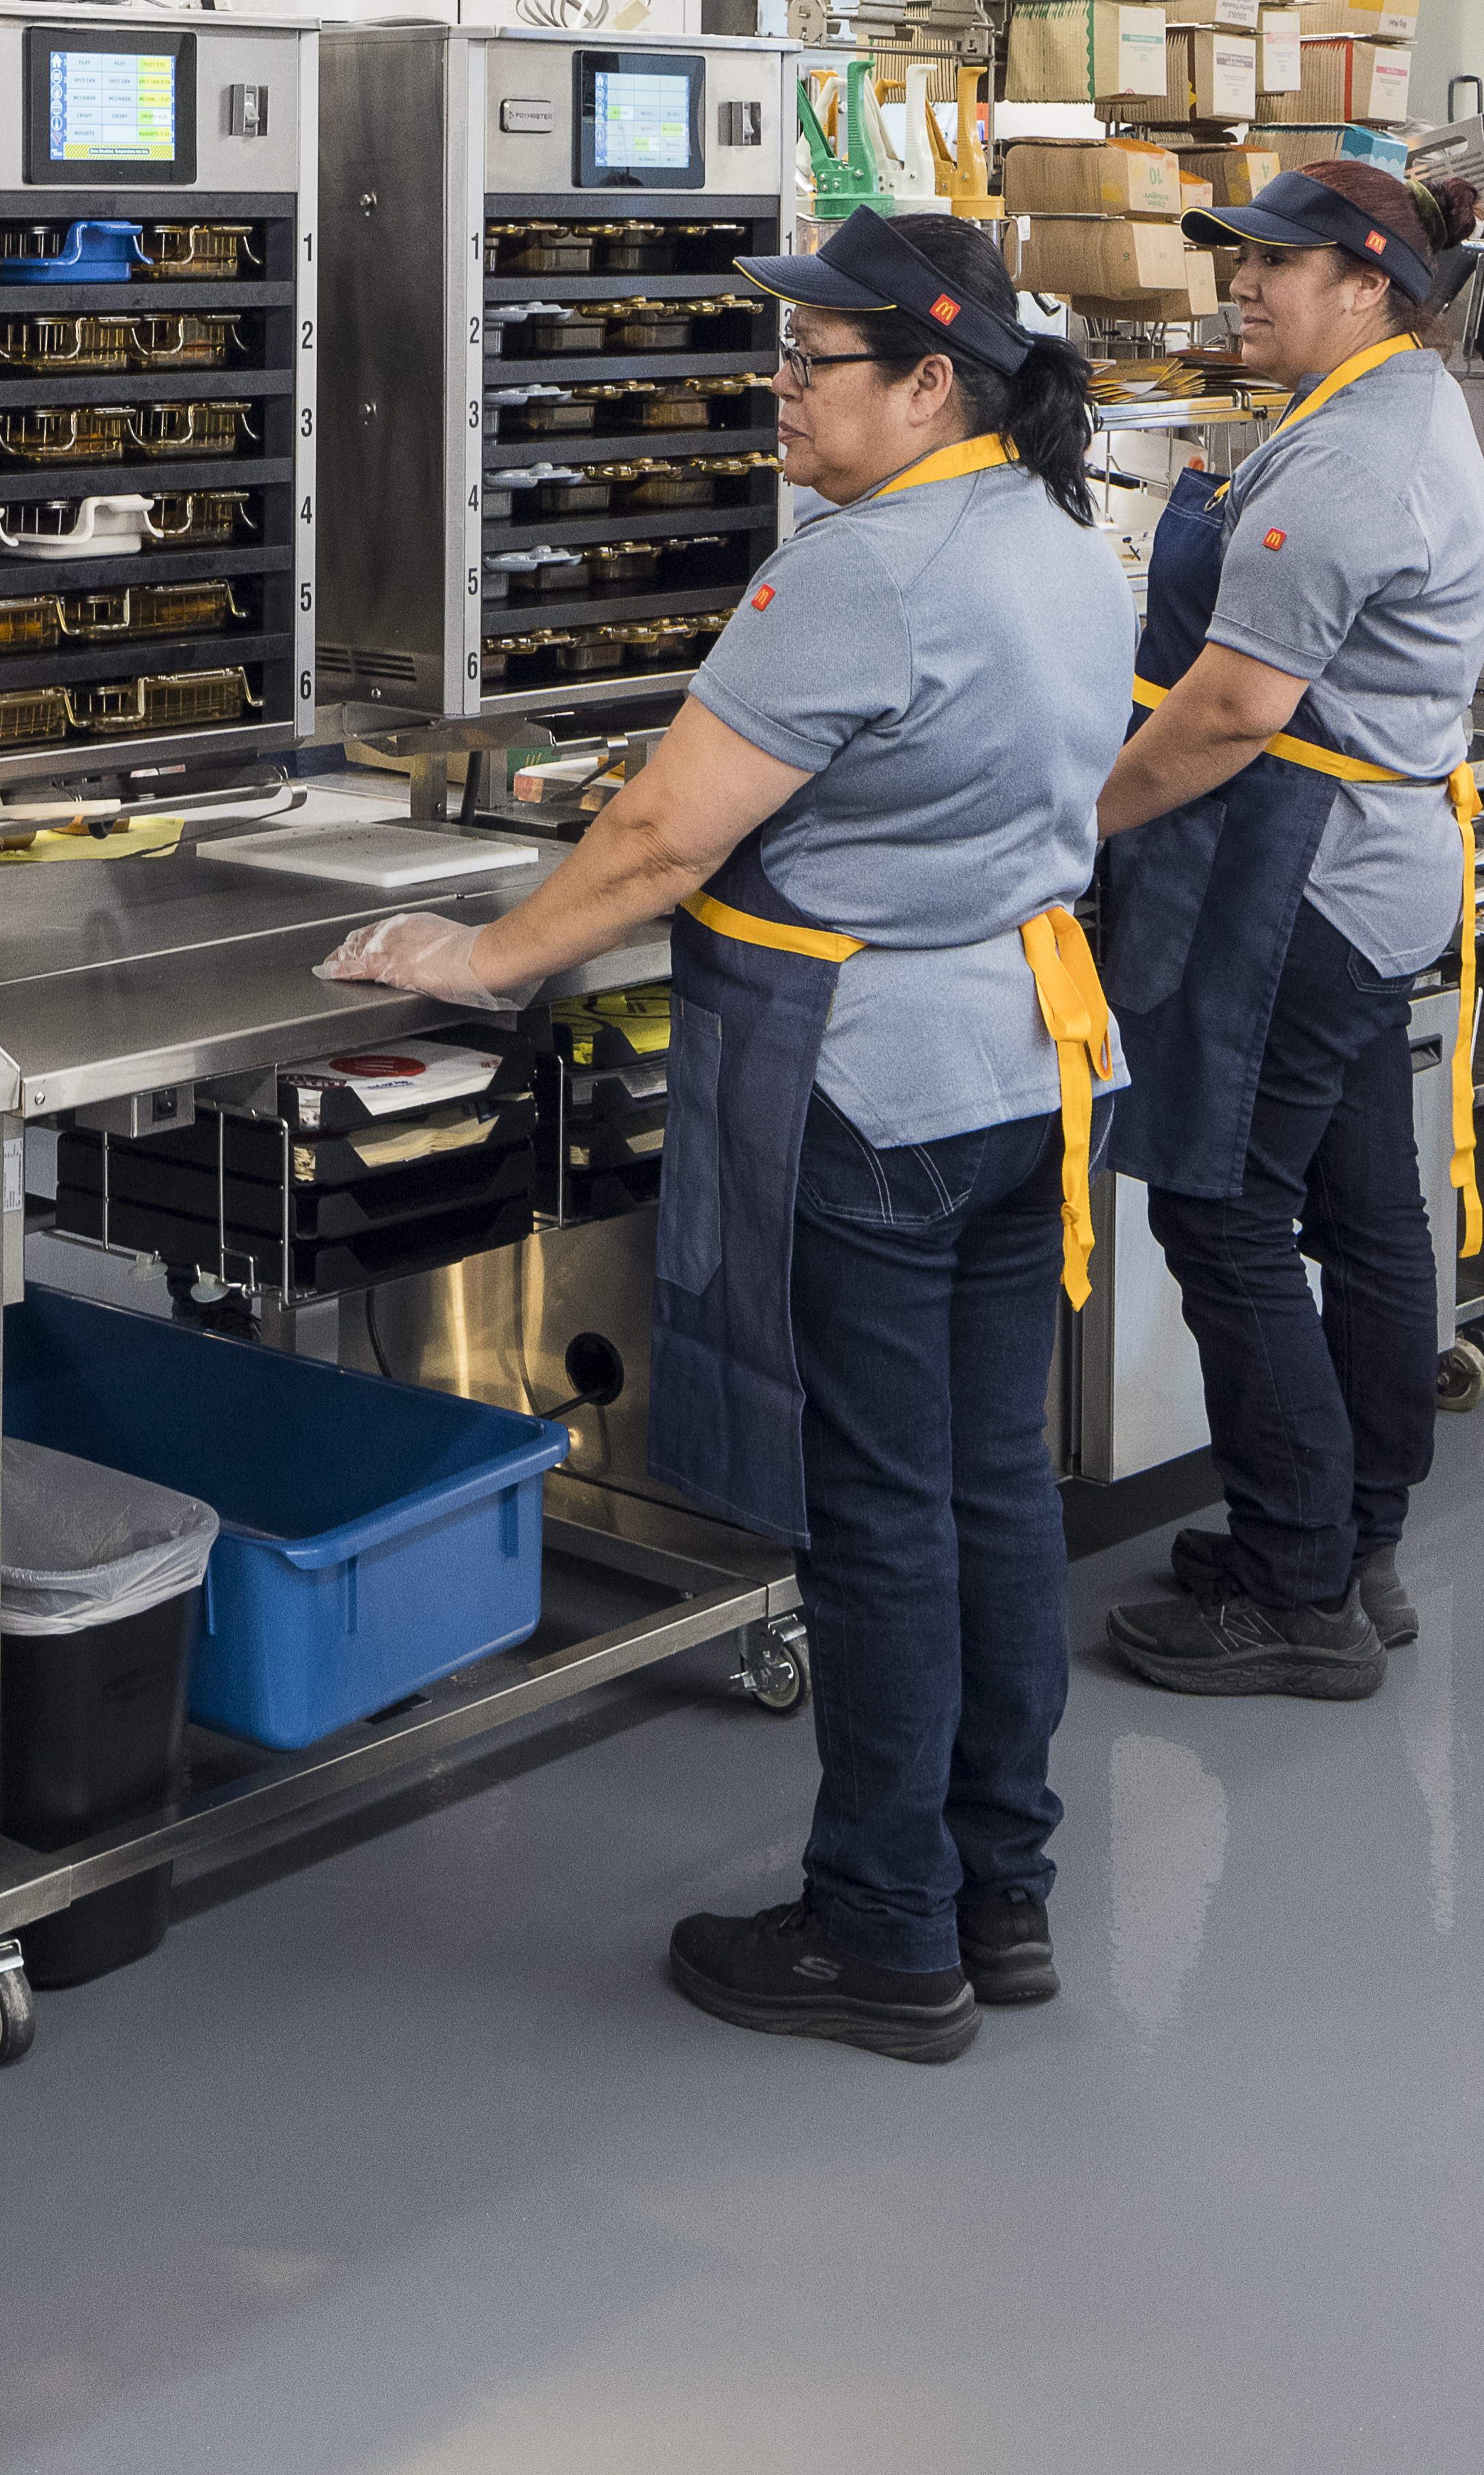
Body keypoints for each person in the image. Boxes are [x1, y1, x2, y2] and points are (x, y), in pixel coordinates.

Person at [324, 207, 1123, 2066]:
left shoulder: (859, 569)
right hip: (1027, 1073)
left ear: (930, 381)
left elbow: (662, 839)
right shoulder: (1060, 533)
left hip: (879, 1095)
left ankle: (882, 1935)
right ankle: (1000, 1892)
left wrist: (490, 958)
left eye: (814, 361)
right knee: (996, 1487)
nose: (780, 386)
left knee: (880, 1519)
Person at [1091, 162, 1484, 1704]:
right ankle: (1352, 1537)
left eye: (1278, 263)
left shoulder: (1346, 462)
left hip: (1298, 878)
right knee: (1362, 1203)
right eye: (1239, 258)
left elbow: (1226, 716)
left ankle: (1293, 1587)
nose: (1242, 284)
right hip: (1364, 865)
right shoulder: (1380, 412)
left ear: (1372, 284)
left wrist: (1072, 833)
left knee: (1226, 1213)